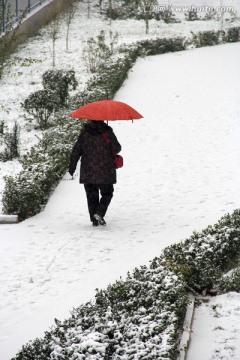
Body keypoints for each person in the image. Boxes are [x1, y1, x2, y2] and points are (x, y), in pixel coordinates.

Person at [68, 120, 121, 226]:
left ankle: (94, 220)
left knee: (91, 195)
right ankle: (100, 213)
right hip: (105, 170)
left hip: (88, 170)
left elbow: (76, 151)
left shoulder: (85, 133)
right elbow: (117, 148)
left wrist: (72, 167)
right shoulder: (107, 131)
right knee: (107, 193)